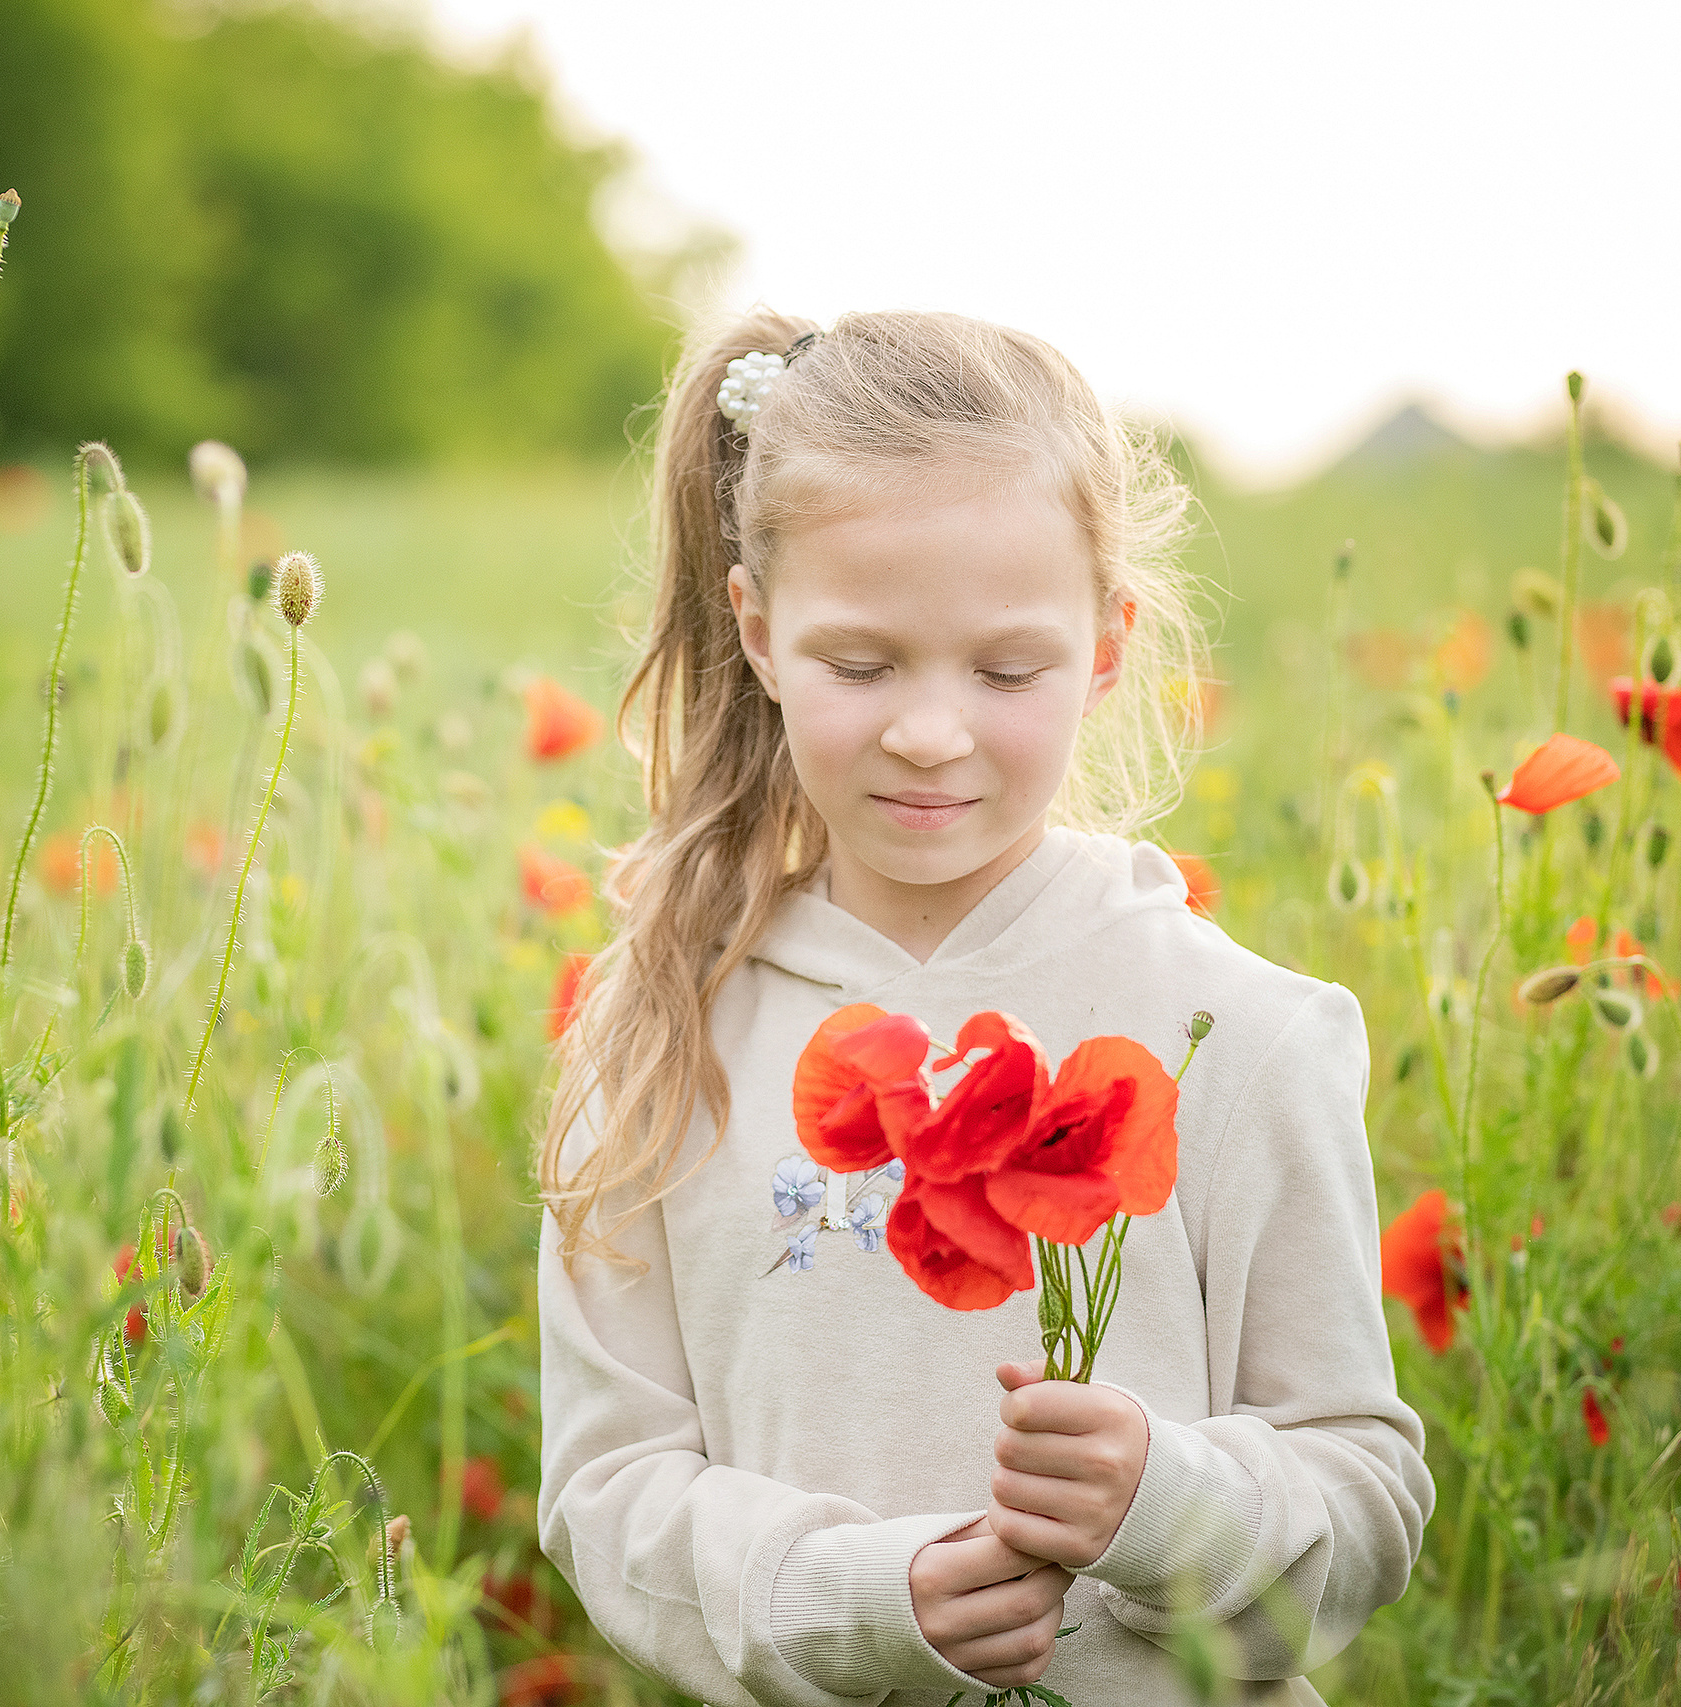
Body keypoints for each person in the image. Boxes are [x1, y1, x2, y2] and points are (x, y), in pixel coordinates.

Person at [535, 308, 1432, 1706]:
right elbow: (610, 1497)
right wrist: (862, 1601)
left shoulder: (1239, 1035)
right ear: (759, 633)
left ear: (1110, 646)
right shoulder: (657, 1043)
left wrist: (1167, 1501)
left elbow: (1364, 1494)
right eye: (861, 663)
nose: (931, 730)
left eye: (1006, 670)